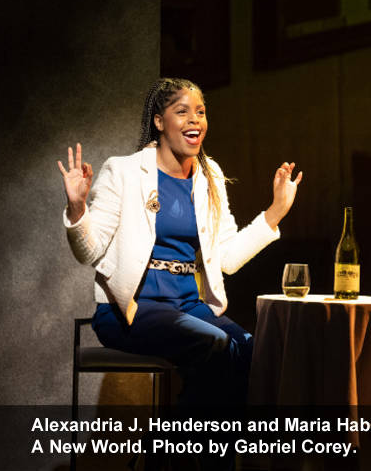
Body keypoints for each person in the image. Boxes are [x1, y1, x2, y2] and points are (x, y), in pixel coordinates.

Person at [58, 77, 302, 412]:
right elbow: (90, 250)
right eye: (183, 111)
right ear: (160, 122)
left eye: (200, 112)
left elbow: (227, 258)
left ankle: (194, 441)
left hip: (187, 305)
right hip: (130, 311)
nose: (194, 120)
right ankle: (183, 441)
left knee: (251, 349)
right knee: (215, 344)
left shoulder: (209, 176)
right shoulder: (124, 171)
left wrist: (275, 212)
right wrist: (77, 209)